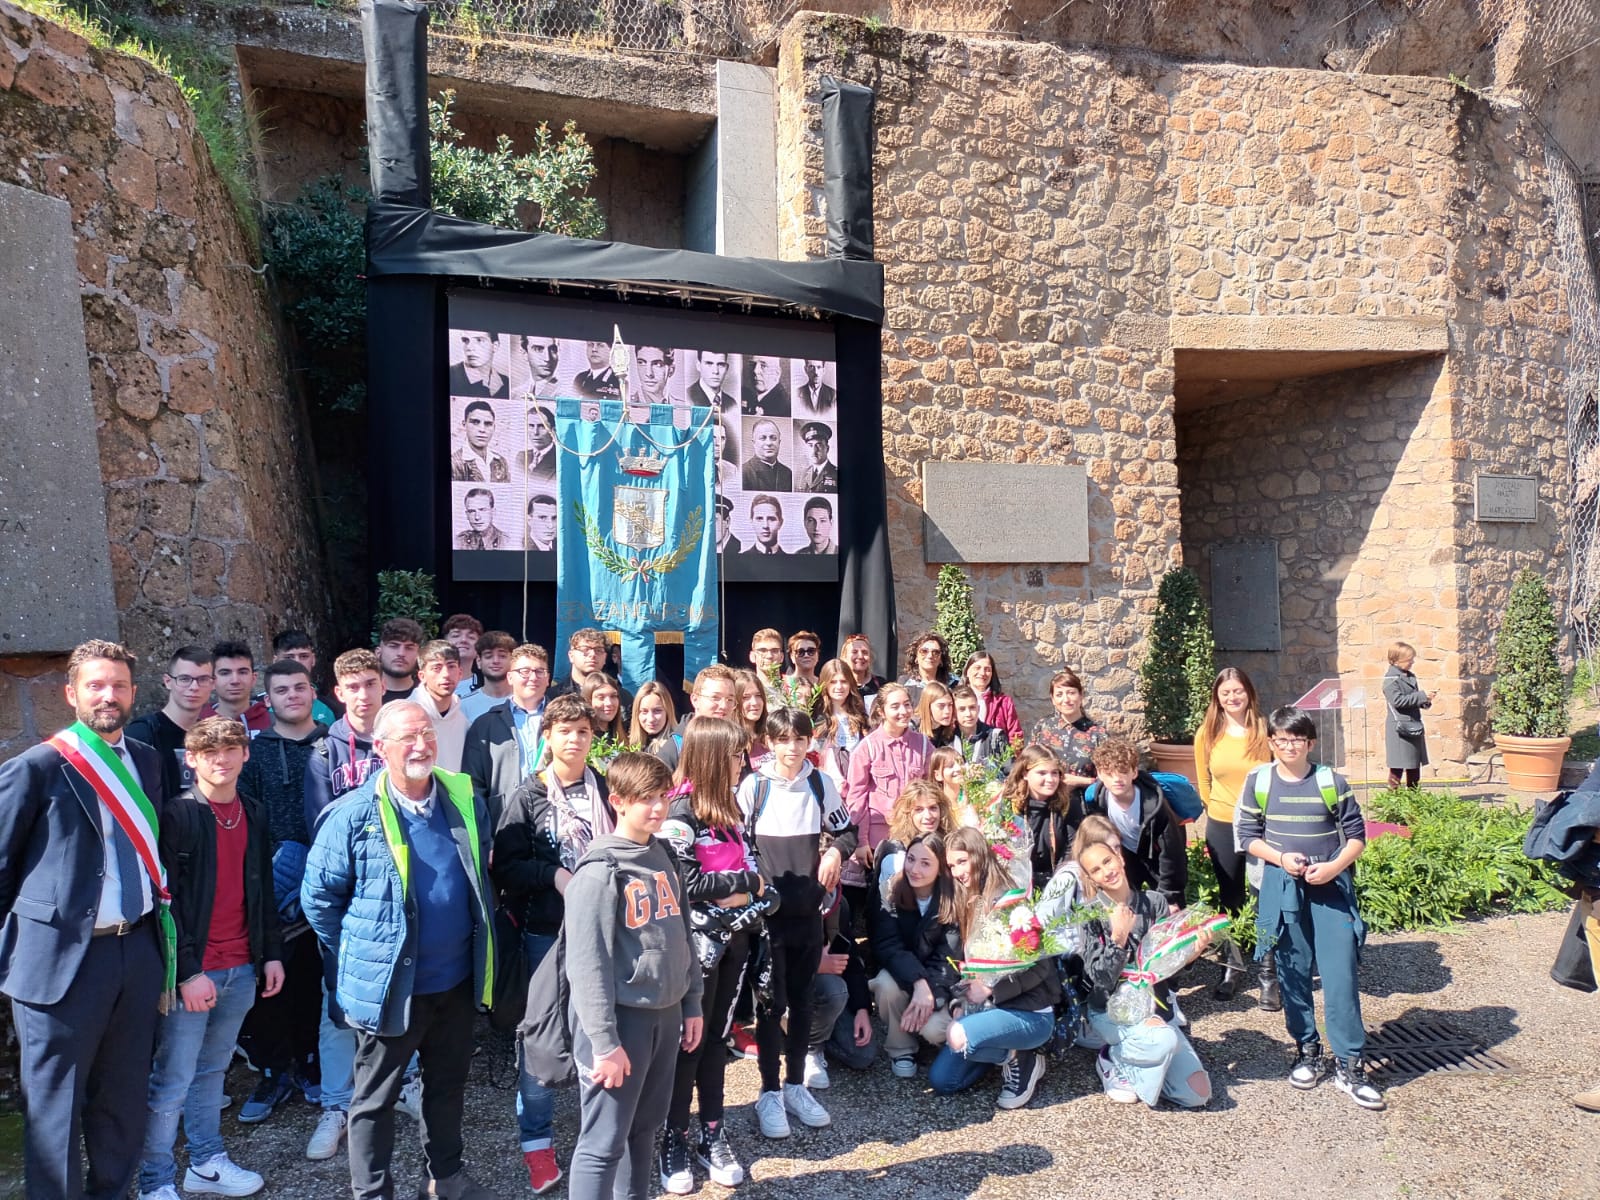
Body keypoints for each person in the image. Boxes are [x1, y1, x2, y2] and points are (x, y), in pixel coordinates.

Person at [300, 700, 498, 1200]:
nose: (420, 745)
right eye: (407, 738)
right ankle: (371, 1191)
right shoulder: (352, 815)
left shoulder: (462, 798)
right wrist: (362, 953)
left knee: (447, 1087)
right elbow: (318, 900)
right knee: (374, 1098)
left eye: (426, 734)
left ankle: (445, 1177)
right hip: (393, 989)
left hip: (453, 982)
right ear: (381, 748)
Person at [0, 641, 171, 1199]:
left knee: (122, 1104)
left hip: (135, 953)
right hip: (62, 966)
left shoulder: (147, 759)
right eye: (96, 685)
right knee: (54, 1117)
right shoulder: (35, 768)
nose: (109, 695)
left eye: (119, 685)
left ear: (133, 693)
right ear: (71, 693)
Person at [140, 717, 284, 1200]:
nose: (221, 759)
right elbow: (166, 902)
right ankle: (154, 1180)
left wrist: (270, 955)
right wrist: (187, 972)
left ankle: (205, 1163)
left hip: (242, 966)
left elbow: (261, 887)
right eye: (210, 752)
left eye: (231, 749)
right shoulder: (178, 815)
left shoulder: (255, 812)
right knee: (172, 1079)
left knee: (211, 1072)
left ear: (246, 755)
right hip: (195, 973)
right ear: (192, 760)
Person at [565, 753, 702, 1200]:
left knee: (644, 1131)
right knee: (603, 1143)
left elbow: (682, 933)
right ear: (618, 801)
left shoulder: (661, 853)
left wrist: (692, 1001)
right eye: (646, 799)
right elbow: (587, 965)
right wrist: (604, 1043)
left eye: (663, 796)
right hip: (622, 1023)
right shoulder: (601, 871)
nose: (659, 807)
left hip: (664, 1017)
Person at [1237, 706, 1385, 1111]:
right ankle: (1307, 1050)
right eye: (1281, 740)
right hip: (1281, 887)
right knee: (1292, 972)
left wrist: (1335, 865)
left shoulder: (1330, 781)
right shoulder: (1260, 781)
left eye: (1296, 740)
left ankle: (1350, 1064)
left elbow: (1357, 835)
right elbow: (1248, 835)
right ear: (1271, 742)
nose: (1288, 747)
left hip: (1330, 887)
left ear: (1310, 743)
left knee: (1340, 975)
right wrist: (1281, 858)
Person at [493, 693, 609, 1194]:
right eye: (565, 731)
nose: (576, 739)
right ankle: (536, 1142)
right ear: (548, 737)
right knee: (541, 1038)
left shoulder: (604, 787)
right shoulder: (527, 795)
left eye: (583, 731)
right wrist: (553, 873)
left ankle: (596, 1134)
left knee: (599, 1033)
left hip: (602, 931)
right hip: (547, 932)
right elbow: (506, 868)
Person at [658, 718, 765, 1192]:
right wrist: (744, 885)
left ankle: (713, 1131)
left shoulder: (731, 810)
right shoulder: (681, 810)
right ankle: (674, 1135)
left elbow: (752, 867)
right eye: (736, 755)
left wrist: (762, 891)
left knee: (717, 1040)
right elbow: (685, 884)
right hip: (695, 950)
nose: (743, 762)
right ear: (712, 757)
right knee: (690, 1043)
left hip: (735, 944)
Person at [737, 708, 855, 1138]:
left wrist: (835, 853)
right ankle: (768, 1092)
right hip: (768, 919)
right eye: (783, 739)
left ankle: (793, 1086)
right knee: (771, 1005)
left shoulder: (821, 784)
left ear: (809, 742)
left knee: (803, 1002)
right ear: (769, 742)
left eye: (800, 739)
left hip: (808, 913)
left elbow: (848, 831)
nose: (792, 747)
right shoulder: (754, 787)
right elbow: (737, 842)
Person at [300, 648, 387, 1160]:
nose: (362, 693)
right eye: (352, 686)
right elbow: (320, 823)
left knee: (403, 994)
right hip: (348, 895)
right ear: (338, 692)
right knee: (337, 1005)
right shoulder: (323, 751)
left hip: (395, 893)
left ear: (382, 687)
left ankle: (406, 1084)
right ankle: (337, 1104)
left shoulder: (402, 737)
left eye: (370, 683)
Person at [234, 661, 327, 1126]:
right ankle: (274, 1071)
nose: (292, 695)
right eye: (281, 690)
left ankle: (311, 1064)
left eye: (299, 687)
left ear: (314, 692)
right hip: (269, 880)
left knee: (313, 976)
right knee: (268, 978)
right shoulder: (255, 753)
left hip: (328, 881)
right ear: (266, 699)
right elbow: (246, 816)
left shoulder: (333, 746)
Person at [1074, 823, 1212, 1110]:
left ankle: (1143, 1061)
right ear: (1091, 879)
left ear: (1120, 857)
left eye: (1107, 861)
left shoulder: (1155, 902)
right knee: (1161, 1039)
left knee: (1197, 1093)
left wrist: (1192, 952)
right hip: (1110, 1011)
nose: (1106, 871)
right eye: (1096, 870)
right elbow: (1099, 977)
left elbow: (1167, 967)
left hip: (1155, 1009)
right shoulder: (1090, 915)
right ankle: (1113, 1058)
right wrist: (1118, 937)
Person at [928, 856, 1061, 1106]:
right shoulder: (965, 906)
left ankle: (1023, 1059)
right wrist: (958, 1001)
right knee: (943, 1080)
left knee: (958, 1034)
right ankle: (1006, 1053)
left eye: (962, 861)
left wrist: (991, 989)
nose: (957, 871)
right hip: (985, 1012)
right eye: (951, 865)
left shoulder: (1012, 904)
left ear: (979, 858)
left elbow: (1042, 967)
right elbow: (958, 967)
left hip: (1030, 1012)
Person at [1192, 667, 1273, 1003]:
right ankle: (1233, 966)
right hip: (1223, 823)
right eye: (1226, 693)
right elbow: (1203, 780)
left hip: (1262, 825)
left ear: (1248, 692)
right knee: (1231, 896)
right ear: (1217, 698)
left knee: (1264, 896)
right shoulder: (1208, 733)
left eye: (1238, 691)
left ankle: (1269, 970)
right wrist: (1219, 809)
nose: (1232, 697)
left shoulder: (1264, 730)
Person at [869, 833, 961, 1079]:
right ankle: (901, 1049)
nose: (914, 869)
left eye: (925, 863)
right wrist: (918, 982)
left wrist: (931, 995)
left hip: (941, 981)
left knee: (933, 1030)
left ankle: (937, 1041)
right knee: (884, 984)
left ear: (941, 868)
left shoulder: (952, 899)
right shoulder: (891, 890)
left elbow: (948, 958)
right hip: (906, 973)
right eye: (911, 859)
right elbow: (888, 945)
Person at [843, 683, 930, 938]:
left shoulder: (924, 745)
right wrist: (860, 842)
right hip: (880, 840)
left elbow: (934, 787)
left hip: (915, 837)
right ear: (881, 711)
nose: (903, 711)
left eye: (906, 704)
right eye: (895, 706)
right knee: (884, 905)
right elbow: (857, 798)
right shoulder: (867, 747)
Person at [1082, 738, 1187, 910]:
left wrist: (1170, 897)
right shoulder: (1098, 801)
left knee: (1171, 914)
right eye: (1109, 773)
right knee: (1129, 912)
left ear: (1134, 772)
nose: (1117, 779)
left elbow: (1172, 854)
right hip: (1127, 858)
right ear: (1099, 774)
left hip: (1157, 860)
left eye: (1123, 771)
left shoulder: (1155, 805)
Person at [462, 642, 552, 830]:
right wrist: (485, 836)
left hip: (554, 819)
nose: (533, 677)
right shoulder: (485, 724)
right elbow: (474, 786)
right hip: (504, 823)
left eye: (539, 671)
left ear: (548, 678)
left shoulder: (564, 720)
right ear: (510, 677)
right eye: (524, 671)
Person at [128, 643, 215, 796]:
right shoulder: (143, 734)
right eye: (184, 679)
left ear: (213, 684)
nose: (194, 687)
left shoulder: (212, 736)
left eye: (203, 679)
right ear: (168, 682)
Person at [1003, 744, 1083, 889]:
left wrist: (1057, 883)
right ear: (1025, 774)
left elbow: (1072, 848)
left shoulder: (1068, 804)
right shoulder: (1010, 805)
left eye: (1055, 773)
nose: (1050, 779)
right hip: (1017, 880)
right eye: (1042, 773)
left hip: (1057, 880)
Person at [871, 778, 955, 903]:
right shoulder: (895, 852)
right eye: (919, 810)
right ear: (908, 814)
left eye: (933, 808)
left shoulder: (947, 844)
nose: (928, 816)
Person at [1029, 668, 1105, 800]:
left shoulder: (1097, 734)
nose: (1066, 699)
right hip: (1046, 804)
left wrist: (1080, 781)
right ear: (1052, 699)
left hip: (1082, 806)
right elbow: (1029, 766)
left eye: (1071, 693)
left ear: (1081, 696)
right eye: (1059, 694)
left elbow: (1109, 778)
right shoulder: (1043, 727)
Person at [407, 641, 469, 773]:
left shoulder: (464, 719)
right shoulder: (405, 715)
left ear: (460, 673)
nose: (446, 674)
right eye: (437, 668)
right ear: (422, 676)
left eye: (451, 666)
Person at [1383, 641, 1434, 789]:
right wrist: (1421, 696)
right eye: (1409, 659)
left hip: (1413, 726)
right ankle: (1394, 801)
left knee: (1414, 767)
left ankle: (1413, 799)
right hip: (1400, 729)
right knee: (1397, 768)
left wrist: (1426, 700)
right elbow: (1397, 701)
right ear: (1396, 660)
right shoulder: (1390, 679)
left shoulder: (1410, 677)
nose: (1412, 662)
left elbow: (1412, 699)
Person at [551, 628, 635, 718]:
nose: (593, 654)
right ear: (571, 656)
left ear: (605, 657)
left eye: (598, 650)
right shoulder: (554, 697)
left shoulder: (622, 697)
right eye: (585, 649)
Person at [813, 658, 869, 790]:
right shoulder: (818, 717)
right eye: (833, 682)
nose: (839, 687)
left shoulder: (862, 715)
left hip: (856, 786)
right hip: (827, 786)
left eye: (843, 681)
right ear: (825, 684)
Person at [271, 631, 339, 726]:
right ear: (275, 661)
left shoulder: (332, 706)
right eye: (289, 657)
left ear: (313, 659)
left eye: (304, 656)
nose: (297, 663)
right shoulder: (259, 707)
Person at [206, 639, 272, 732]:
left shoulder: (275, 722)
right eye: (225, 673)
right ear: (212, 680)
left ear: (253, 678)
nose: (235, 680)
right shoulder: (198, 723)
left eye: (242, 672)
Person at [961, 652, 1023, 747]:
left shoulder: (1004, 703)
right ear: (967, 672)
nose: (982, 673)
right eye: (977, 668)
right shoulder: (956, 700)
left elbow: (1015, 737)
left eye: (987, 669)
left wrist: (1009, 759)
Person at [459, 630, 514, 726]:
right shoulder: (463, 705)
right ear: (479, 661)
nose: (496, 661)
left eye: (502, 656)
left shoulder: (524, 700)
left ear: (513, 660)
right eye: (489, 656)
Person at [450, 401, 511, 483]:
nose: (482, 429)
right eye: (475, 422)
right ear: (464, 425)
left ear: (494, 427)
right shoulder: (453, 463)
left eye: (488, 424)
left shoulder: (501, 461)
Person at [628, 682, 681, 771]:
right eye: (644, 711)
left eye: (657, 711)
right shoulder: (628, 744)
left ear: (668, 712)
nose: (651, 719)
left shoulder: (677, 745)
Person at [950, 685, 1009, 765]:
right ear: (953, 713)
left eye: (972, 708)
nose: (968, 714)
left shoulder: (995, 737)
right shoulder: (947, 739)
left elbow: (1010, 772)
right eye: (962, 709)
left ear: (978, 709)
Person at [900, 631, 954, 708]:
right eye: (924, 651)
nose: (930, 656)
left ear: (941, 659)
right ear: (916, 657)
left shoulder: (953, 684)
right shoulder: (904, 684)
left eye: (935, 652)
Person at [732, 670, 772, 772]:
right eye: (746, 697)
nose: (754, 702)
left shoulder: (773, 733)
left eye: (758, 695)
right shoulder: (731, 741)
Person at [377, 619, 424, 704]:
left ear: (419, 655)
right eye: (394, 646)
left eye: (409, 648)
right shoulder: (365, 698)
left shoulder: (429, 696)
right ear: (378, 652)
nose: (401, 653)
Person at [448, 330, 506, 398]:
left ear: (495, 346)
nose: (469, 348)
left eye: (479, 340)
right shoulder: (449, 375)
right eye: (466, 340)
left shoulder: (505, 382)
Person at [741, 421, 792, 492]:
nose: (769, 443)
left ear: (779, 442)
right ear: (754, 443)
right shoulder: (743, 472)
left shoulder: (788, 473)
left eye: (773, 438)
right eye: (762, 438)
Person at [455, 487, 510, 551]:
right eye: (472, 511)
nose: (477, 517)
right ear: (467, 515)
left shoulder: (507, 541)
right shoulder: (459, 541)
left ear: (493, 512)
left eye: (482, 510)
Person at [584, 673, 628, 743]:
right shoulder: (584, 740)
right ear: (588, 701)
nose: (609, 703)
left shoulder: (625, 735)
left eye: (613, 696)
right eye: (601, 697)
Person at [842, 634, 886, 705]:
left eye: (864, 652)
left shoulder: (882, 685)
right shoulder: (839, 684)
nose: (860, 656)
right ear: (844, 658)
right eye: (854, 652)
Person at [519, 407, 558, 485]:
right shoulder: (521, 457)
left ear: (553, 431)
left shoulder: (560, 459)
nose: (535, 432)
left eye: (542, 426)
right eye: (531, 426)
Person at [795, 424, 838, 494]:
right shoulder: (802, 474)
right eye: (810, 445)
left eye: (818, 445)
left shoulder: (836, 474)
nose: (814, 451)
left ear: (827, 448)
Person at [914, 681, 957, 746]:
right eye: (941, 706)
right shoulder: (913, 729)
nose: (947, 711)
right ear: (928, 706)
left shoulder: (952, 730)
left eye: (950, 705)